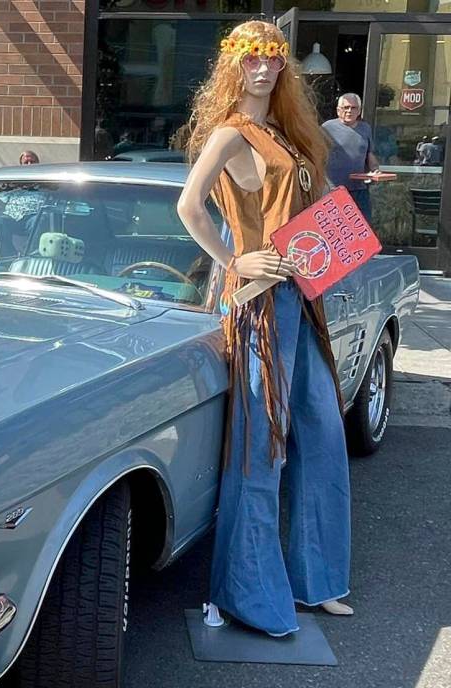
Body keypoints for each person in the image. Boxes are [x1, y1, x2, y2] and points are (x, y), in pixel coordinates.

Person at [176, 20, 353, 638]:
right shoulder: (230, 132)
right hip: (259, 306)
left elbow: (318, 202)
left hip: (302, 299)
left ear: (283, 67)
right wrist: (235, 260)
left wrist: (336, 240)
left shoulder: (287, 132)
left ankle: (318, 580)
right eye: (251, 58)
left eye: (272, 58)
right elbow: (189, 206)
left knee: (322, 433)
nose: (262, 68)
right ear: (233, 65)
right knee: (263, 447)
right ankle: (252, 595)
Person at [322, 93, 380, 220]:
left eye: (353, 108)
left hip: (359, 190)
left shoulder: (365, 128)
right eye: (346, 107)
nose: (349, 111)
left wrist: (375, 170)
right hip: (334, 189)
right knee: (336, 227)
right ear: (338, 110)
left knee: (364, 226)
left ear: (359, 111)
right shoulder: (327, 128)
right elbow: (317, 155)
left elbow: (369, 153)